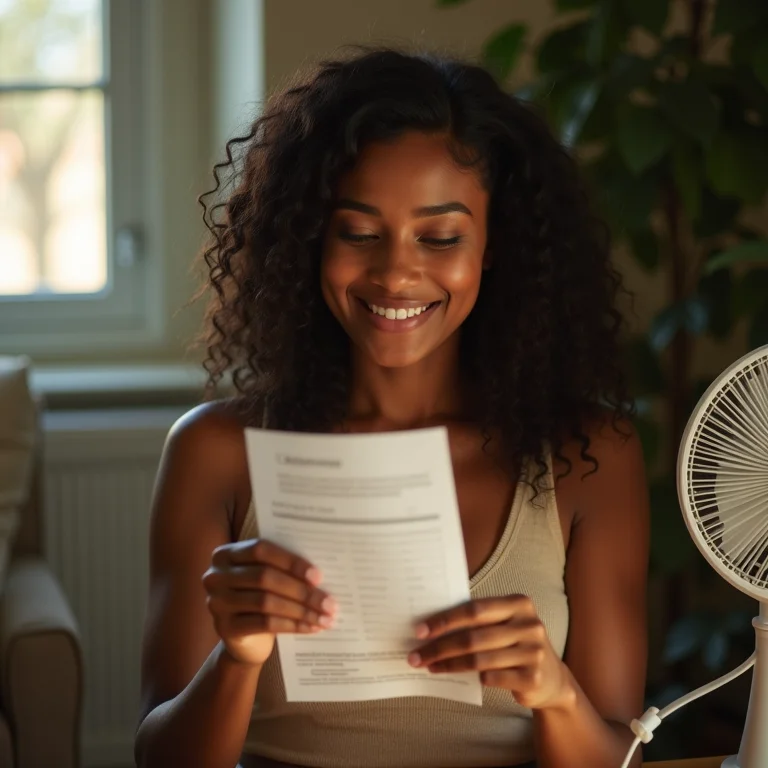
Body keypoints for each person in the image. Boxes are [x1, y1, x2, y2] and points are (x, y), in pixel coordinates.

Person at [134, 47, 649, 768]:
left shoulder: (588, 453)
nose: (396, 272)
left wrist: (554, 693)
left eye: (439, 237)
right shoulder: (217, 451)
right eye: (358, 232)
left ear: (494, 246)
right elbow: (162, 758)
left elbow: (619, 754)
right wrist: (239, 657)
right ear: (314, 237)